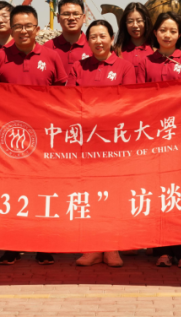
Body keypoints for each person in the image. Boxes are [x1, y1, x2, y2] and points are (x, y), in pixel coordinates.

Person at [0, 4, 67, 266]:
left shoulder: (52, 57)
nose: (23, 31)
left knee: (43, 192)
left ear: (37, 28)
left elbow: (62, 95)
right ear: (11, 29)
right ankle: (12, 245)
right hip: (11, 139)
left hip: (44, 138)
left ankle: (43, 245)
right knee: (12, 192)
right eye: (18, 26)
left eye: (28, 26)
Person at [65, 20, 134, 267]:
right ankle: (92, 247)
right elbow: (69, 100)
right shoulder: (78, 67)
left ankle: (112, 247)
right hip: (86, 141)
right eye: (93, 36)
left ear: (111, 39)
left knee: (113, 194)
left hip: (114, 141)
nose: (98, 41)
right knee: (89, 194)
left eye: (102, 36)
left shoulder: (125, 67)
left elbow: (129, 102)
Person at [137, 11, 181, 268]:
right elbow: (137, 98)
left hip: (180, 136)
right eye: (163, 30)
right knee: (159, 192)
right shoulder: (145, 62)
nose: (167, 35)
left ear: (179, 34)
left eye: (173, 31)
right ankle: (162, 249)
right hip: (153, 137)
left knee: (180, 193)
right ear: (155, 33)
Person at [42, 0, 91, 67]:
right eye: (66, 14)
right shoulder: (47, 48)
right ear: (58, 18)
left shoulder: (93, 46)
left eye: (76, 14)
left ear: (84, 18)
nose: (71, 18)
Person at [114, 2, 153, 71]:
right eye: (130, 21)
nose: (135, 25)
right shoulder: (117, 51)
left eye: (139, 21)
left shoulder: (155, 49)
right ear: (125, 24)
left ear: (146, 22)